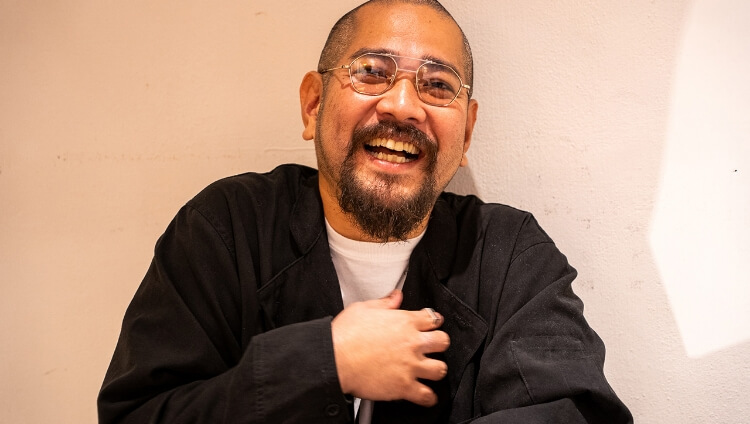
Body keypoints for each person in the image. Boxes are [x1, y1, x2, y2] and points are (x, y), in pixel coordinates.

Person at [98, 0, 633, 422]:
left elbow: (574, 413)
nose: (402, 105)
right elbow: (138, 413)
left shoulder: (509, 254)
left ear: (467, 132)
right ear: (313, 104)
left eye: (437, 85)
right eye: (372, 72)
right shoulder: (227, 228)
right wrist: (321, 362)